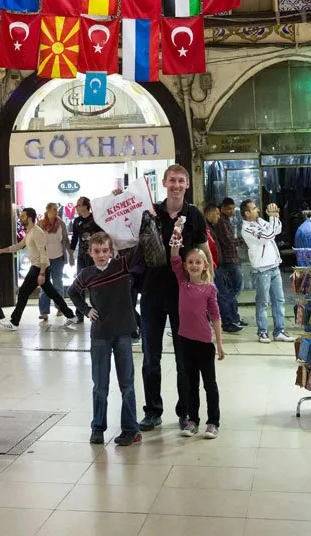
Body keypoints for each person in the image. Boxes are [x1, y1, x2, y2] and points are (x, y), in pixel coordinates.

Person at [139, 163, 210, 432]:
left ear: (188, 184)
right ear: (165, 183)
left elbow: (204, 252)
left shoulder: (194, 215)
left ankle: (185, 411)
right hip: (151, 294)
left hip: (185, 299)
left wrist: (208, 287)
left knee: (185, 359)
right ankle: (153, 411)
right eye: (172, 180)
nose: (177, 185)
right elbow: (125, 236)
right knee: (150, 358)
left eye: (181, 181)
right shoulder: (151, 213)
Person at [68, 231, 142, 447]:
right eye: (97, 251)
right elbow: (73, 292)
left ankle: (130, 428)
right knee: (100, 384)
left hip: (122, 332)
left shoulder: (121, 267)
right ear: (90, 253)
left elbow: (138, 251)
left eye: (105, 251)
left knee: (127, 383)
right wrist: (86, 309)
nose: (101, 255)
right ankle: (98, 427)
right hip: (100, 333)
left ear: (112, 251)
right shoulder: (86, 274)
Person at [170, 222, 224, 438]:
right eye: (190, 262)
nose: (193, 265)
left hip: (204, 343)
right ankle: (193, 420)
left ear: (205, 265)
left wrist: (219, 343)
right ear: (185, 266)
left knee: (209, 384)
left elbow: (216, 316)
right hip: (185, 341)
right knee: (191, 383)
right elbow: (174, 255)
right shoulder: (182, 282)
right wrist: (177, 233)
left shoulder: (209, 288)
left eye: (198, 262)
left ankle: (213, 421)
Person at [0, 207, 77, 328]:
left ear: (30, 218)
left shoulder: (37, 232)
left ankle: (14, 322)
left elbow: (43, 253)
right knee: (52, 293)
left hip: (38, 268)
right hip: (39, 267)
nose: (20, 218)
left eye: (23, 216)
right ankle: (70, 316)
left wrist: (42, 273)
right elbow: (19, 245)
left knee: (23, 293)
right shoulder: (30, 231)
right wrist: (1, 251)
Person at [240, 199, 293, 344]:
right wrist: (273, 217)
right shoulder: (247, 229)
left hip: (274, 266)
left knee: (279, 300)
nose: (258, 210)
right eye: (254, 208)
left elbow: (276, 230)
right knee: (263, 302)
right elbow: (268, 236)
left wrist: (275, 217)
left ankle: (279, 331)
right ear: (246, 213)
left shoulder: (260, 221)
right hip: (262, 270)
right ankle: (262, 332)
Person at [207, 199, 243, 334]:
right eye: (216, 213)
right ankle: (227, 320)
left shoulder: (219, 224)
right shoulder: (218, 224)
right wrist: (242, 239)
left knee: (229, 291)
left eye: (233, 209)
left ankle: (232, 318)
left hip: (220, 263)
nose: (231, 212)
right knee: (226, 293)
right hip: (220, 264)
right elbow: (227, 242)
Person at [70, 196, 102, 322]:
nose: (76, 207)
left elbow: (102, 236)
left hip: (94, 257)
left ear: (85, 206)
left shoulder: (95, 219)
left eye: (78, 205)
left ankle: (97, 309)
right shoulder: (77, 221)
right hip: (81, 256)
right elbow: (74, 239)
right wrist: (71, 254)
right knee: (80, 283)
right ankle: (80, 313)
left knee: (95, 283)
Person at [38, 202, 71, 321]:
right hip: (45, 259)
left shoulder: (61, 223)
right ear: (47, 210)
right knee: (44, 285)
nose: (56, 211)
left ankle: (60, 308)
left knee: (58, 283)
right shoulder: (41, 224)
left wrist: (70, 255)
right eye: (53, 209)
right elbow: (37, 240)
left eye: (56, 209)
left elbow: (66, 240)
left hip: (58, 258)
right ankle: (44, 311)